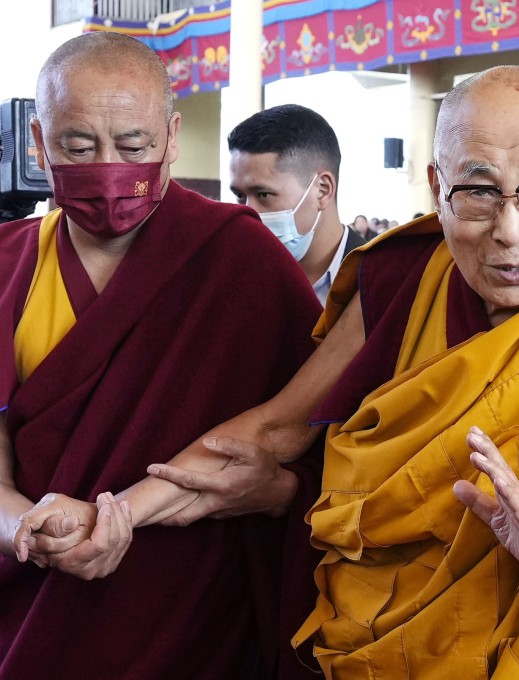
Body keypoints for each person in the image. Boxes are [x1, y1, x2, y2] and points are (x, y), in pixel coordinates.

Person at [67, 64, 519, 678]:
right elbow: (274, 430)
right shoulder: (407, 280)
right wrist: (118, 515)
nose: (510, 230)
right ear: (437, 185)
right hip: (384, 638)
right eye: (477, 191)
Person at [0, 32, 322, 679]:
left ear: (172, 138)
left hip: (197, 625)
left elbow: (332, 442)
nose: (109, 169)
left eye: (134, 146)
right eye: (78, 147)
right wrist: (26, 529)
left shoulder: (243, 260)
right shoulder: (6, 265)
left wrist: (281, 492)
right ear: (38, 142)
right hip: (30, 614)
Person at [228, 104, 366, 306]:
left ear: (323, 190)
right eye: (240, 195)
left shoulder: (384, 282)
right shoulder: (234, 281)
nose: (249, 212)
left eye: (264, 194)